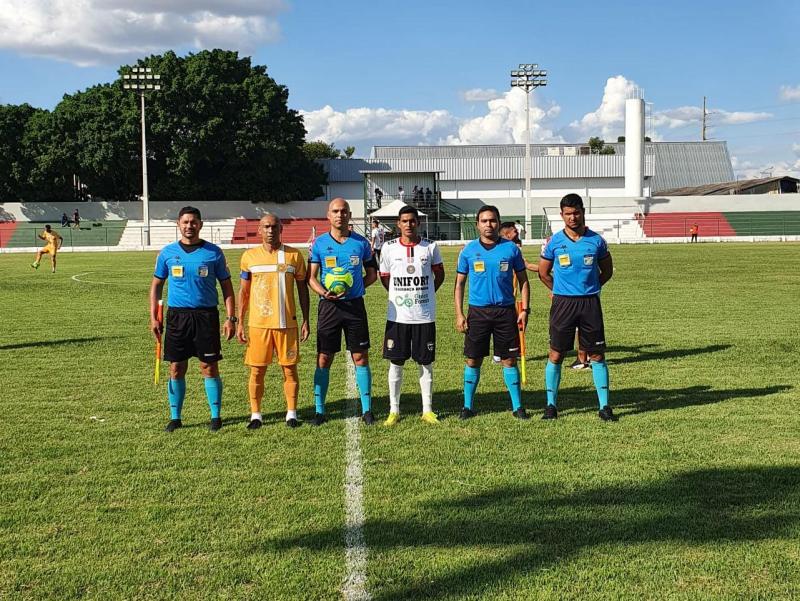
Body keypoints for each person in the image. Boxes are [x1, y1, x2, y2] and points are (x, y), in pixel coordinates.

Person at [150, 206, 236, 432]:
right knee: (176, 367)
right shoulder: (167, 253)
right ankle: (175, 418)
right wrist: (154, 317)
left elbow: (227, 287)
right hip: (177, 317)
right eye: (185, 222)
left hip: (206, 316)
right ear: (178, 224)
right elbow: (156, 286)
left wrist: (231, 318)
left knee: (209, 366)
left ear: (201, 224)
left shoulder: (214, 252)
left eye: (193, 222)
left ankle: (215, 416)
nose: (189, 226)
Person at [537, 193, 616, 421]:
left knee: (596, 354)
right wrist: (558, 290)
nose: (572, 217)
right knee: (556, 353)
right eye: (568, 214)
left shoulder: (597, 241)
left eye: (576, 213)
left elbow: (607, 271)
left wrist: (591, 287)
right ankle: (551, 406)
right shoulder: (554, 242)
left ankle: (604, 407)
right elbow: (543, 273)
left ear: (583, 212)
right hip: (563, 303)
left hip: (589, 303)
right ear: (562, 215)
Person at [454, 206, 531, 420]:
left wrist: (525, 309)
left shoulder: (511, 249)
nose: (489, 224)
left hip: (505, 312)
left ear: (498, 222)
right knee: (473, 359)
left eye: (493, 220)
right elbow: (459, 284)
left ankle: (517, 407)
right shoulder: (468, 251)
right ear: (477, 224)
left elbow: (524, 281)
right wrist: (459, 314)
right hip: (478, 312)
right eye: (484, 221)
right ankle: (467, 406)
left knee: (509, 360)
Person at [308, 198, 378, 426]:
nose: (340, 215)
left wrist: (355, 288)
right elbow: (311, 277)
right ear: (328, 215)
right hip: (329, 307)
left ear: (349, 215)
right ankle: (319, 411)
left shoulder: (362, 243)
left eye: (344, 211)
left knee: (360, 356)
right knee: (324, 357)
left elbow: (372, 275)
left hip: (354, 306)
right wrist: (324, 293)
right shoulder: (319, 244)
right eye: (335, 211)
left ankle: (367, 410)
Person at [238, 214, 310, 429]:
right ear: (260, 230)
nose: (270, 231)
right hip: (258, 325)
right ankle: (256, 415)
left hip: (287, 324)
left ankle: (291, 413)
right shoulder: (249, 256)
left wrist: (306, 319)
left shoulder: (293, 256)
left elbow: (302, 290)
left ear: (281, 229)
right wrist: (239, 321)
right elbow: (244, 292)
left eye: (274, 227)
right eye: (266, 227)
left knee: (290, 370)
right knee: (257, 371)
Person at [379, 205, 445, 425]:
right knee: (396, 362)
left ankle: (427, 410)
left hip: (424, 315)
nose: (409, 224)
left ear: (419, 222)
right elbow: (385, 277)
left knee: (425, 362)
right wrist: (399, 294)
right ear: (398, 224)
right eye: (404, 221)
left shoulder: (430, 247)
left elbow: (439, 275)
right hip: (398, 316)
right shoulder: (388, 248)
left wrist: (426, 294)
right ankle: (394, 410)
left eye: (412, 220)